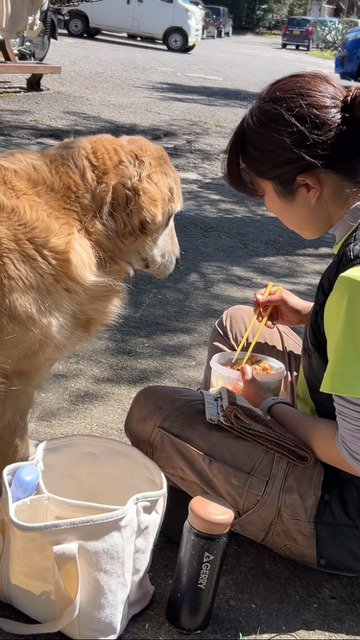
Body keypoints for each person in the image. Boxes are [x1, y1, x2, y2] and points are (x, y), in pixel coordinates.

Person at [125, 71, 360, 575]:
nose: (268, 210)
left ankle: (223, 472)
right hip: (339, 422)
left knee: (151, 412)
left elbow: (353, 453)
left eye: (264, 196)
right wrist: (309, 315)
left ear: (307, 185)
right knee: (238, 322)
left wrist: (268, 404)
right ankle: (228, 451)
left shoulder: (358, 285)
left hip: (342, 511)